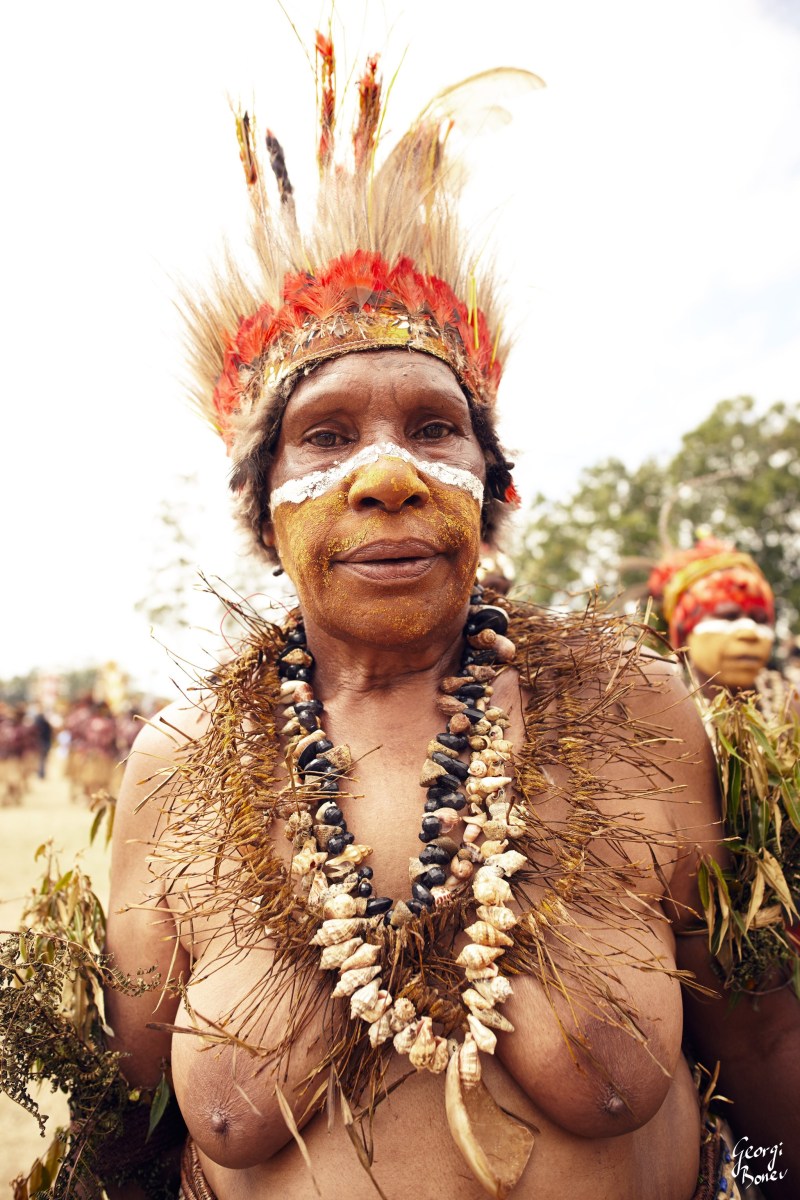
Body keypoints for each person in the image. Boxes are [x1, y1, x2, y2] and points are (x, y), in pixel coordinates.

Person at [83, 35, 795, 1200]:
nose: (387, 477)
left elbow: (761, 1053)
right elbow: (126, 1124)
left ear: (490, 487)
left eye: (431, 428)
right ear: (262, 507)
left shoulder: (636, 710)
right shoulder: (181, 764)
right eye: (325, 436)